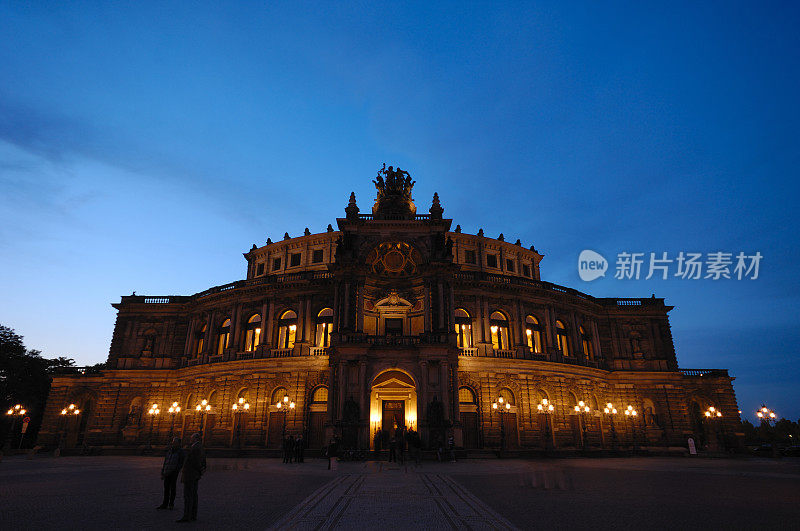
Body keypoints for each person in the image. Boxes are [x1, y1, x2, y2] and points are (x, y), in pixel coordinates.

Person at [177, 433, 205, 523]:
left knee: (188, 495)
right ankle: (193, 514)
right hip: (195, 474)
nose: (190, 439)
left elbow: (194, 462)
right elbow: (203, 461)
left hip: (190, 475)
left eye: (191, 438)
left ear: (196, 439)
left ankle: (187, 516)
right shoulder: (199, 447)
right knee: (193, 495)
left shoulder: (196, 448)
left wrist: (199, 470)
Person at [157, 437, 185, 510]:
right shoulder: (169, 451)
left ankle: (171, 504)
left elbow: (181, 462)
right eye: (173, 442)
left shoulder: (181, 452)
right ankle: (165, 503)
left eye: (175, 442)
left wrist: (176, 470)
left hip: (174, 472)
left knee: (172, 488)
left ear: (179, 443)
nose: (173, 444)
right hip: (167, 472)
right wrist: (163, 471)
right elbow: (166, 462)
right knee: (166, 488)